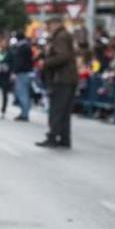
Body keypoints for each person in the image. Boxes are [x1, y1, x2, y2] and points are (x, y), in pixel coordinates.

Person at [38, 17, 78, 148]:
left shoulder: (60, 37)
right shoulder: (63, 36)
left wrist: (46, 62)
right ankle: (64, 138)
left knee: (57, 110)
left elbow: (62, 56)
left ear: (55, 24)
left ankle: (53, 137)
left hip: (61, 78)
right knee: (64, 111)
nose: (47, 28)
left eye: (48, 25)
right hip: (67, 78)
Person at [12, 32, 34, 121]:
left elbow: (19, 62)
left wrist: (15, 71)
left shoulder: (22, 48)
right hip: (27, 72)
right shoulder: (27, 47)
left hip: (22, 73)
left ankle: (24, 114)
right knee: (25, 93)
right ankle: (24, 113)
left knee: (22, 93)